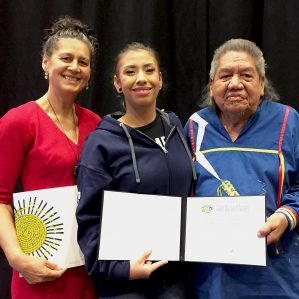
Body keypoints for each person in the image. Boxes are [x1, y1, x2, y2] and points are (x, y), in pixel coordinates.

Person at [76, 42, 197, 299]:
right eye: (130, 72)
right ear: (117, 83)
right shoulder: (101, 143)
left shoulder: (175, 126)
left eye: (149, 70)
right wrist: (121, 270)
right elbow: (88, 218)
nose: (141, 78)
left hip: (175, 280)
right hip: (125, 285)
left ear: (160, 79)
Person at [184, 38, 299, 298]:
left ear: (261, 84)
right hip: (212, 277)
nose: (235, 83)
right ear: (212, 85)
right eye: (225, 75)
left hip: (276, 276)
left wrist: (286, 216)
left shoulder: (287, 121)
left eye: (246, 75)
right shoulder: (194, 126)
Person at [0, 16, 101, 299]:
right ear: (46, 62)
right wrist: (17, 258)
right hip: (39, 271)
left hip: (87, 270)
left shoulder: (97, 125)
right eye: (66, 58)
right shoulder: (18, 122)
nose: (74, 68)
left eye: (83, 62)